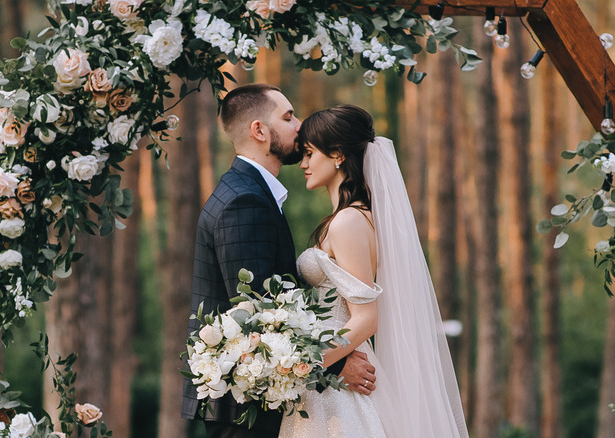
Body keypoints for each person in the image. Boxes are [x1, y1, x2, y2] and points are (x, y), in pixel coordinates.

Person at [181, 85, 378, 438]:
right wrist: (333, 368)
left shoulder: (248, 193)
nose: (299, 125)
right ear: (259, 131)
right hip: (248, 407)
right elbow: (257, 314)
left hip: (267, 396)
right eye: (288, 117)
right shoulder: (245, 201)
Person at [280, 105, 469, 437]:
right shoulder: (350, 217)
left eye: (310, 154)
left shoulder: (349, 221)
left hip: (337, 376)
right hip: (334, 365)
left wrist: (304, 365)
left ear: (337, 154)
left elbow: (366, 318)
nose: (304, 164)